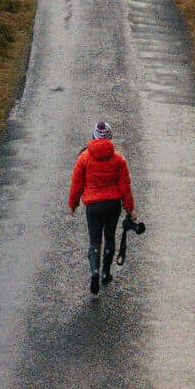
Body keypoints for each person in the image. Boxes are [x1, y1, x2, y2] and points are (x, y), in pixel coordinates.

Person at [68, 120, 134, 296]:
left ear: (93, 137)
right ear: (110, 137)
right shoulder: (119, 159)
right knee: (110, 238)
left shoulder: (84, 158)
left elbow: (77, 184)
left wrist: (73, 204)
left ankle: (94, 272)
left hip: (93, 207)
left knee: (95, 241)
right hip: (113, 206)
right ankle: (106, 273)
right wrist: (129, 209)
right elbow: (125, 187)